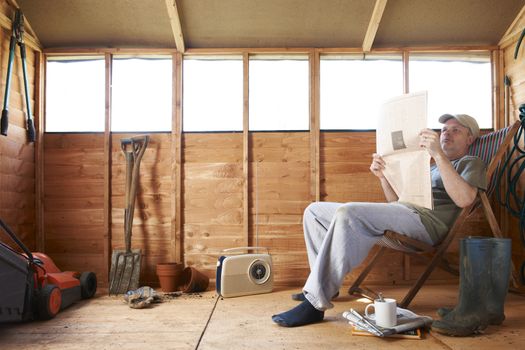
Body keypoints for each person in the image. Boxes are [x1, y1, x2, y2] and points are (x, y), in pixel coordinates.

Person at [271, 114, 487, 327]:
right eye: (444, 130)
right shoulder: (429, 167)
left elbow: (465, 199)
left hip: (426, 224)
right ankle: (324, 285)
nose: (446, 133)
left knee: (349, 212)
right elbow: (396, 200)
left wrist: (438, 156)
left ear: (470, 139)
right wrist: (383, 176)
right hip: (406, 212)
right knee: (314, 211)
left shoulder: (471, 162)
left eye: (456, 130)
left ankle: (315, 303)